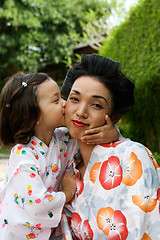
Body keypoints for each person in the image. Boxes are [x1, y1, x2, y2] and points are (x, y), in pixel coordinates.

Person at [0, 73, 118, 240]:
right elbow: (36, 205)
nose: (65, 104)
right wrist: (67, 193)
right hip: (19, 234)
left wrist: (112, 132)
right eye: (56, 100)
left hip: (50, 229)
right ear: (33, 116)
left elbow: (88, 135)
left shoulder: (62, 138)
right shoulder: (23, 155)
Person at [59, 54, 160, 240]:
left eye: (96, 105)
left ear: (113, 118)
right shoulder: (65, 161)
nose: (80, 112)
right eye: (74, 99)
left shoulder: (132, 155)